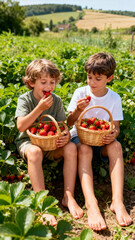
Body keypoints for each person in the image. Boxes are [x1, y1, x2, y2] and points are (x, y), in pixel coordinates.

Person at [67, 53, 133, 231]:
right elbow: (69, 123)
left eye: (98, 78)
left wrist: (113, 134)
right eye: (89, 77)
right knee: (86, 149)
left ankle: (117, 202)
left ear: (109, 78)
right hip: (80, 139)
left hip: (102, 140)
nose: (92, 82)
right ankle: (92, 204)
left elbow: (116, 126)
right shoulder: (80, 93)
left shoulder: (115, 98)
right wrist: (77, 110)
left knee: (117, 145)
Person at [15, 59, 83, 226]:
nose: (49, 86)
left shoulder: (57, 100)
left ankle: (69, 196)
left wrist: (66, 135)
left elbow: (62, 126)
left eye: (52, 82)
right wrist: (39, 108)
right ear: (31, 82)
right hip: (28, 143)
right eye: (43, 82)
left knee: (71, 147)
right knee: (35, 152)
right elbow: (21, 126)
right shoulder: (25, 99)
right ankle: (42, 203)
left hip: (52, 144)